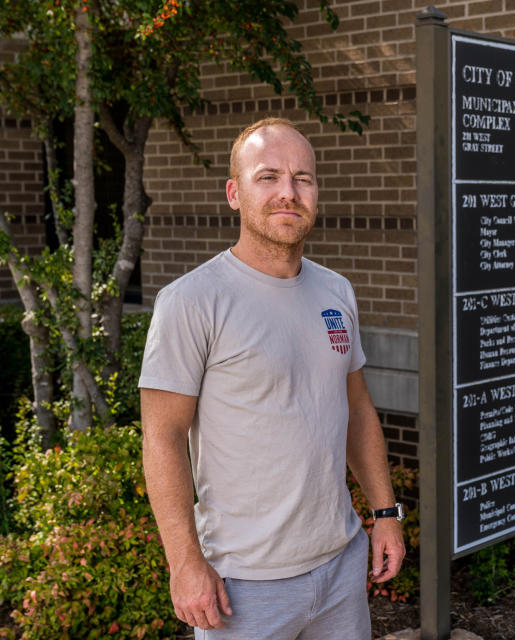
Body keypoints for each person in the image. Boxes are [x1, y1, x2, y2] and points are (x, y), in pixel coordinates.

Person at [140, 117, 405, 640]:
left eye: (302, 178)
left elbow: (355, 409)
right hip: (242, 587)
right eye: (269, 177)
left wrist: (385, 512)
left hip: (340, 567)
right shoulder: (192, 301)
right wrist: (184, 562)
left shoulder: (336, 292)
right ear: (234, 193)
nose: (289, 192)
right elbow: (162, 436)